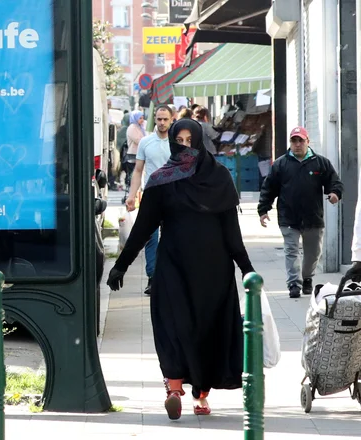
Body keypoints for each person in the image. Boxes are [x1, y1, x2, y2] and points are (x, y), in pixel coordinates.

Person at [107, 119, 252, 420]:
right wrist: (121, 266)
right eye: (180, 140)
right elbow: (143, 228)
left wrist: (247, 270)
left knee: (206, 331)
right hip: (174, 267)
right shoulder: (164, 180)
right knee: (173, 325)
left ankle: (199, 395)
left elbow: (232, 234)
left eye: (190, 140)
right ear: (172, 142)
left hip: (212, 271)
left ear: (199, 141)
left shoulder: (217, 177)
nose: (185, 146)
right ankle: (176, 389)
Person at [258, 126, 343, 298]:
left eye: (300, 141)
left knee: (313, 254)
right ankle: (293, 284)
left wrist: (334, 194)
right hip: (288, 217)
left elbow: (334, 182)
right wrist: (263, 209)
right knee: (291, 251)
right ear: (290, 143)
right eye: (294, 141)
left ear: (307, 142)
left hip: (313, 217)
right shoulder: (281, 164)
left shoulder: (320, 163)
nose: (297, 144)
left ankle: (307, 278)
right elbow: (269, 188)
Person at [124, 105, 173, 294]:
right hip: (151, 195)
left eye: (165, 119)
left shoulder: (176, 142)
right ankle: (153, 278)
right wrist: (131, 196)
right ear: (155, 118)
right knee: (151, 238)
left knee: (172, 237)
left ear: (171, 119)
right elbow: (138, 171)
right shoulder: (145, 142)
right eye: (159, 119)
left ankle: (170, 276)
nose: (161, 122)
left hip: (173, 196)